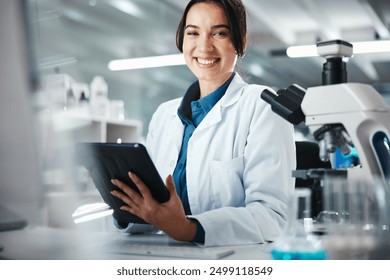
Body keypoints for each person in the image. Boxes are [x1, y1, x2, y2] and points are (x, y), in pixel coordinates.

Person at [111, 0, 296, 247]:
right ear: (182, 41)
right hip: (168, 258)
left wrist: (189, 229)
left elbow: (272, 217)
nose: (204, 46)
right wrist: (127, 207)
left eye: (219, 33)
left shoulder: (263, 106)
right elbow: (158, 210)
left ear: (241, 42)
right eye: (193, 33)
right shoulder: (164, 115)